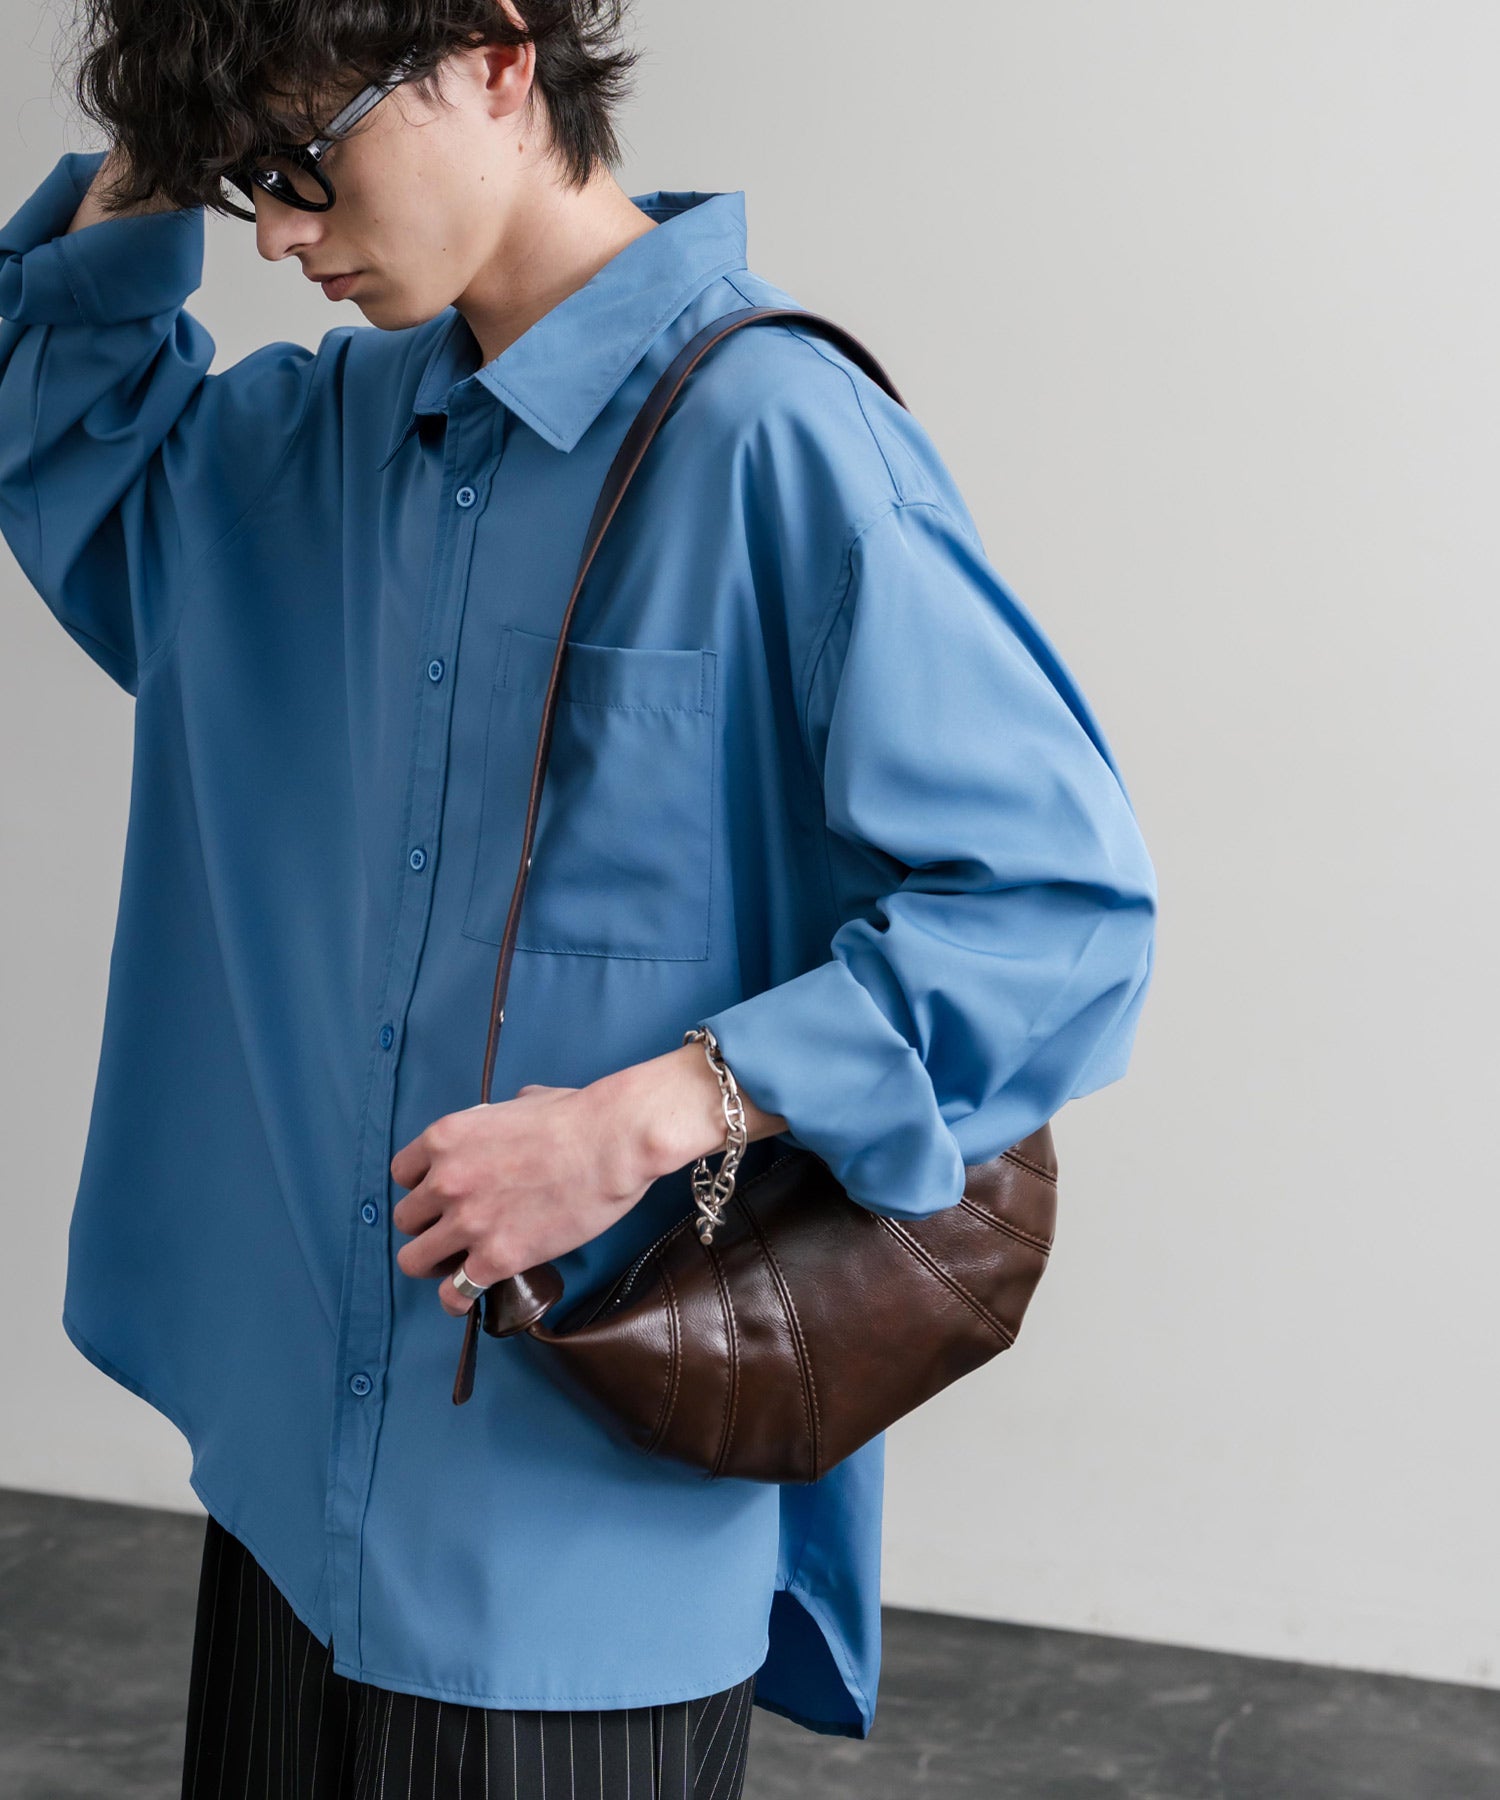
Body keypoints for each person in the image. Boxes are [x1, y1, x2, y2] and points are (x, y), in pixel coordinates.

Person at [0, 0, 1159, 1793]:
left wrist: (649, 1116)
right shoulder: (320, 444)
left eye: (303, 161)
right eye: (244, 184)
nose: (280, 236)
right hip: (295, 1504)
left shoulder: (779, 438)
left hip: (574, 1539)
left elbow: (1057, 915)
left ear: (493, 54)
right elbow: (63, 428)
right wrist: (183, 109)